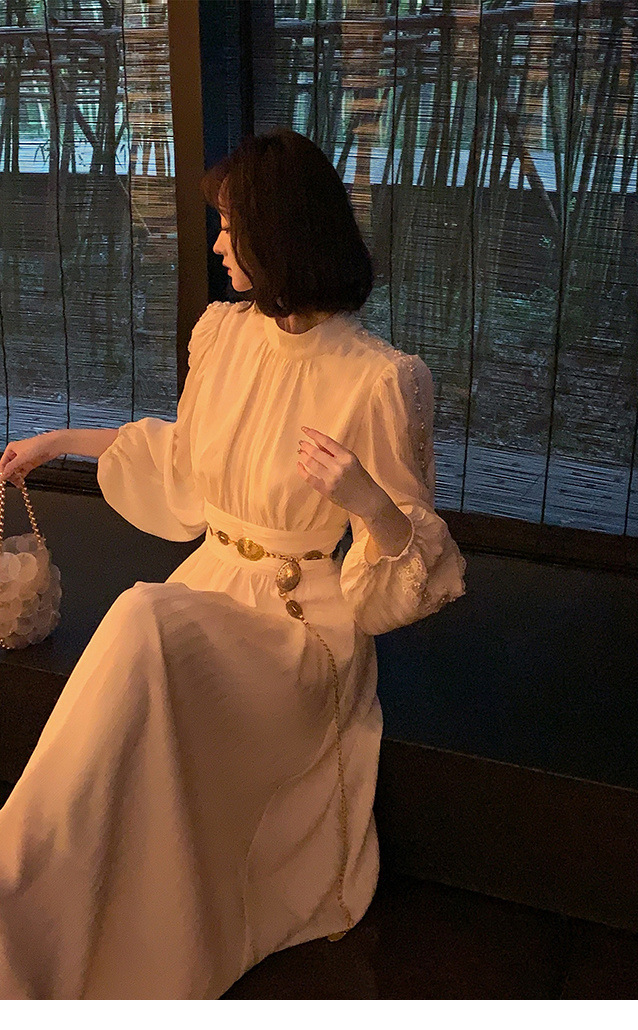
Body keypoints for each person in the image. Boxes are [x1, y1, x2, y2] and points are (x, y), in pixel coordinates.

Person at [0, 127, 466, 999]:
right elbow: (185, 462)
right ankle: (36, 883)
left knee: (143, 616)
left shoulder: (380, 380)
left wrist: (366, 501)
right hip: (208, 589)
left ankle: (30, 881)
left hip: (298, 625)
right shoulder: (224, 336)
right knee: (147, 632)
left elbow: (408, 566)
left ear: (278, 233)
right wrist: (59, 441)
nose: (218, 244)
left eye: (229, 224)